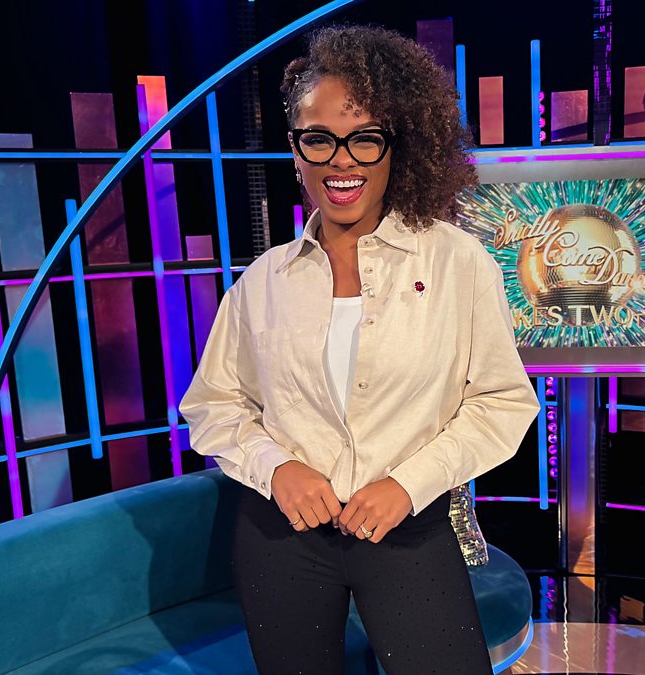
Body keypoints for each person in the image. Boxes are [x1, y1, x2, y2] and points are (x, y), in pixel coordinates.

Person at [178, 24, 540, 674]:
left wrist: (408, 484)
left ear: (398, 146)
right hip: (280, 536)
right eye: (318, 138)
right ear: (296, 151)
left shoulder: (458, 262)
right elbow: (213, 405)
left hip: (407, 528)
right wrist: (276, 468)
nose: (341, 160)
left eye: (365, 138)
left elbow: (501, 403)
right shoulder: (262, 281)